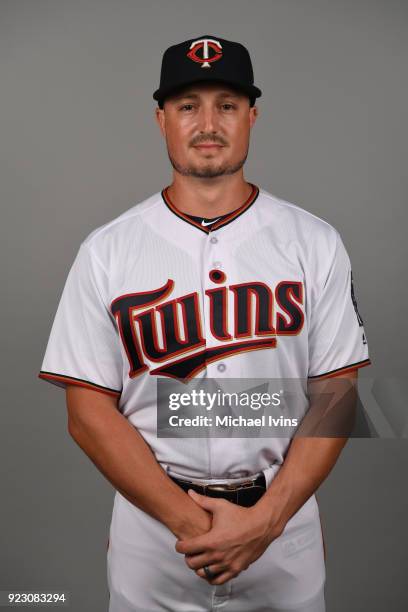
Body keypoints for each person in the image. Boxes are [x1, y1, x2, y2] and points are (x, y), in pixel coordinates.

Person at [38, 34, 372, 611]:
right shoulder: (108, 250)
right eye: (188, 105)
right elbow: (88, 413)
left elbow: (336, 394)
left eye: (227, 104)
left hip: (281, 521)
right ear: (161, 119)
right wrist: (189, 521)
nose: (207, 122)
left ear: (252, 117)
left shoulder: (313, 242)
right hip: (154, 525)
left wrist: (264, 522)